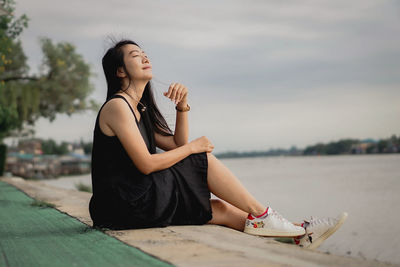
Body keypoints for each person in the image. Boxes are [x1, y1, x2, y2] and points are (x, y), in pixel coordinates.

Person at [88, 39, 347, 249]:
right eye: (135, 55)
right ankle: (262, 214)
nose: (145, 58)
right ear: (120, 71)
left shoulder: (139, 109)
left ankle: (300, 235)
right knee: (203, 159)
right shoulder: (117, 107)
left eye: (145, 53)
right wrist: (194, 148)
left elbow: (176, 143)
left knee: (220, 209)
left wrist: (182, 106)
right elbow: (146, 164)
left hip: (132, 203)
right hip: (122, 205)